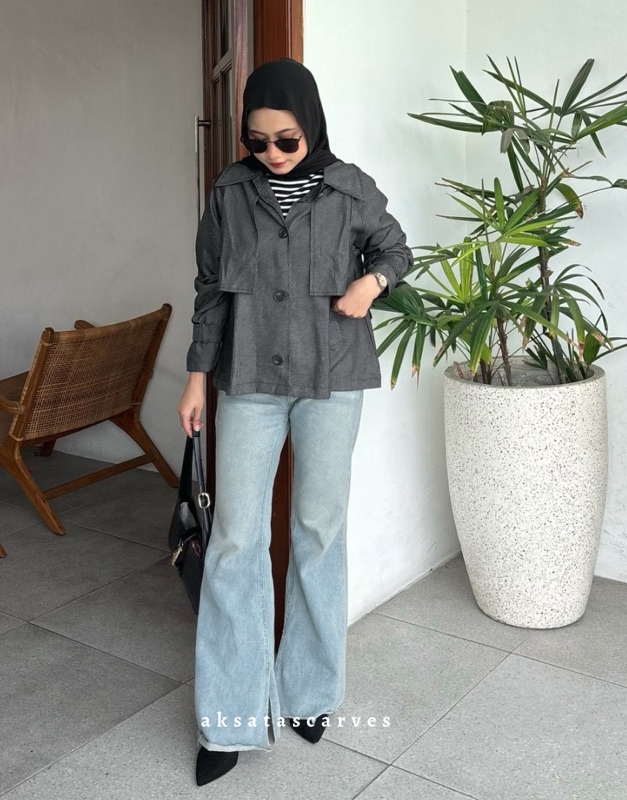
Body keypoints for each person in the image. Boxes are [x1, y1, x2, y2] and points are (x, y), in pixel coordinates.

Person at [176, 57, 412, 786]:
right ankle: (230, 715)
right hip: (246, 378)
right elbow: (210, 287)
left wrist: (370, 283)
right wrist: (195, 376)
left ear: (311, 127)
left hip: (331, 378)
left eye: (287, 140)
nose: (272, 153)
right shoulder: (229, 192)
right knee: (235, 539)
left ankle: (309, 692)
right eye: (257, 141)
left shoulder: (351, 188)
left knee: (318, 529)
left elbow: (398, 249)